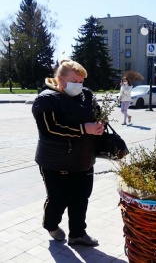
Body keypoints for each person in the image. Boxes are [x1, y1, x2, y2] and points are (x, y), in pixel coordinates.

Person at [32, 59, 103, 246]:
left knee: (81, 198)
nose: (79, 86)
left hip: (83, 158)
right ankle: (51, 224)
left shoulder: (86, 95)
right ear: (61, 79)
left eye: (81, 82)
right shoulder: (46, 99)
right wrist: (82, 129)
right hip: (56, 161)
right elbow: (50, 128)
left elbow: (98, 115)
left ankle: (78, 234)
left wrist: (99, 125)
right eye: (75, 81)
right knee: (59, 198)